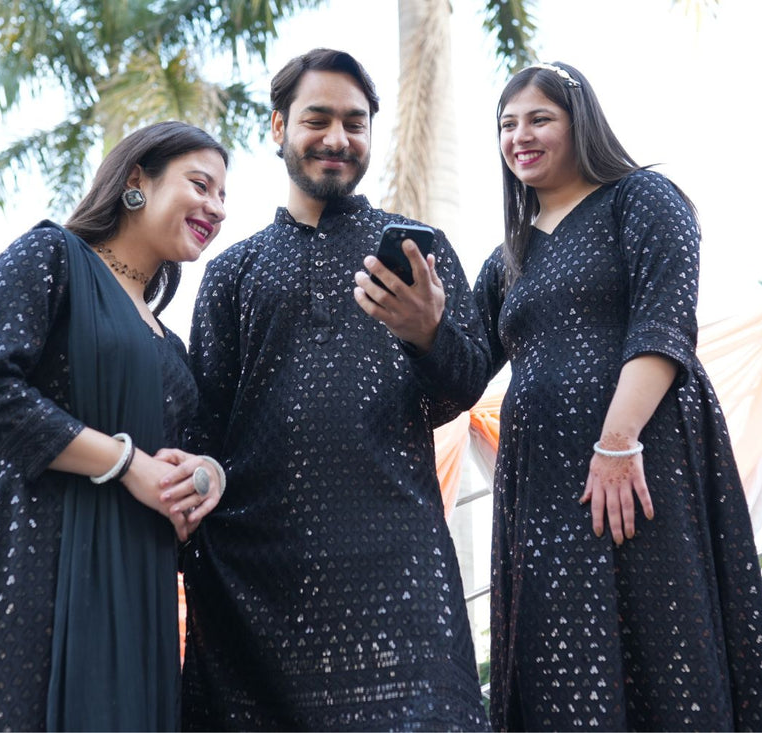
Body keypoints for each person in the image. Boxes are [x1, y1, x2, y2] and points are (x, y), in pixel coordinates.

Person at [169, 48, 491, 730]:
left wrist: (429, 333)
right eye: (318, 120)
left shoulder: (421, 252)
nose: (338, 138)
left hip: (400, 566)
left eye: (355, 122)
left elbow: (463, 386)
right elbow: (204, 431)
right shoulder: (232, 272)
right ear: (279, 126)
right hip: (256, 578)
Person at [473, 62, 762, 731]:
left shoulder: (641, 197)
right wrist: (414, 317)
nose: (520, 136)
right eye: (507, 124)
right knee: (560, 656)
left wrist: (617, 443)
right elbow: (459, 366)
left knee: (661, 631)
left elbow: (663, 322)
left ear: (579, 122)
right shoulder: (506, 259)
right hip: (543, 489)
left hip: (642, 460)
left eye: (539, 119)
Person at [0, 121, 229, 731]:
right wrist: (126, 464)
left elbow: (193, 460)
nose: (217, 208)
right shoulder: (50, 258)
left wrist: (203, 479)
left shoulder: (171, 346)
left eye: (223, 197)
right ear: (137, 180)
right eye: (201, 185)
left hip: (140, 592)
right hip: (41, 567)